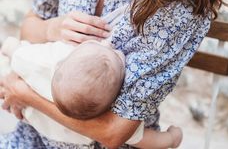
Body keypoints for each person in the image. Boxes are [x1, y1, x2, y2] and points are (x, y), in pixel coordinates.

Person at [0, 0, 228, 148]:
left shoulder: (180, 1)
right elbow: (29, 27)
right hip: (34, 138)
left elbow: (115, 133)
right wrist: (51, 29)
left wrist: (25, 93)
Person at [0, 37, 182, 148]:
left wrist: (9, 46)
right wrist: (171, 138)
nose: (109, 46)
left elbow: (18, 51)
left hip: (39, 130)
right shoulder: (104, 114)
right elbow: (148, 140)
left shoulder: (47, 62)